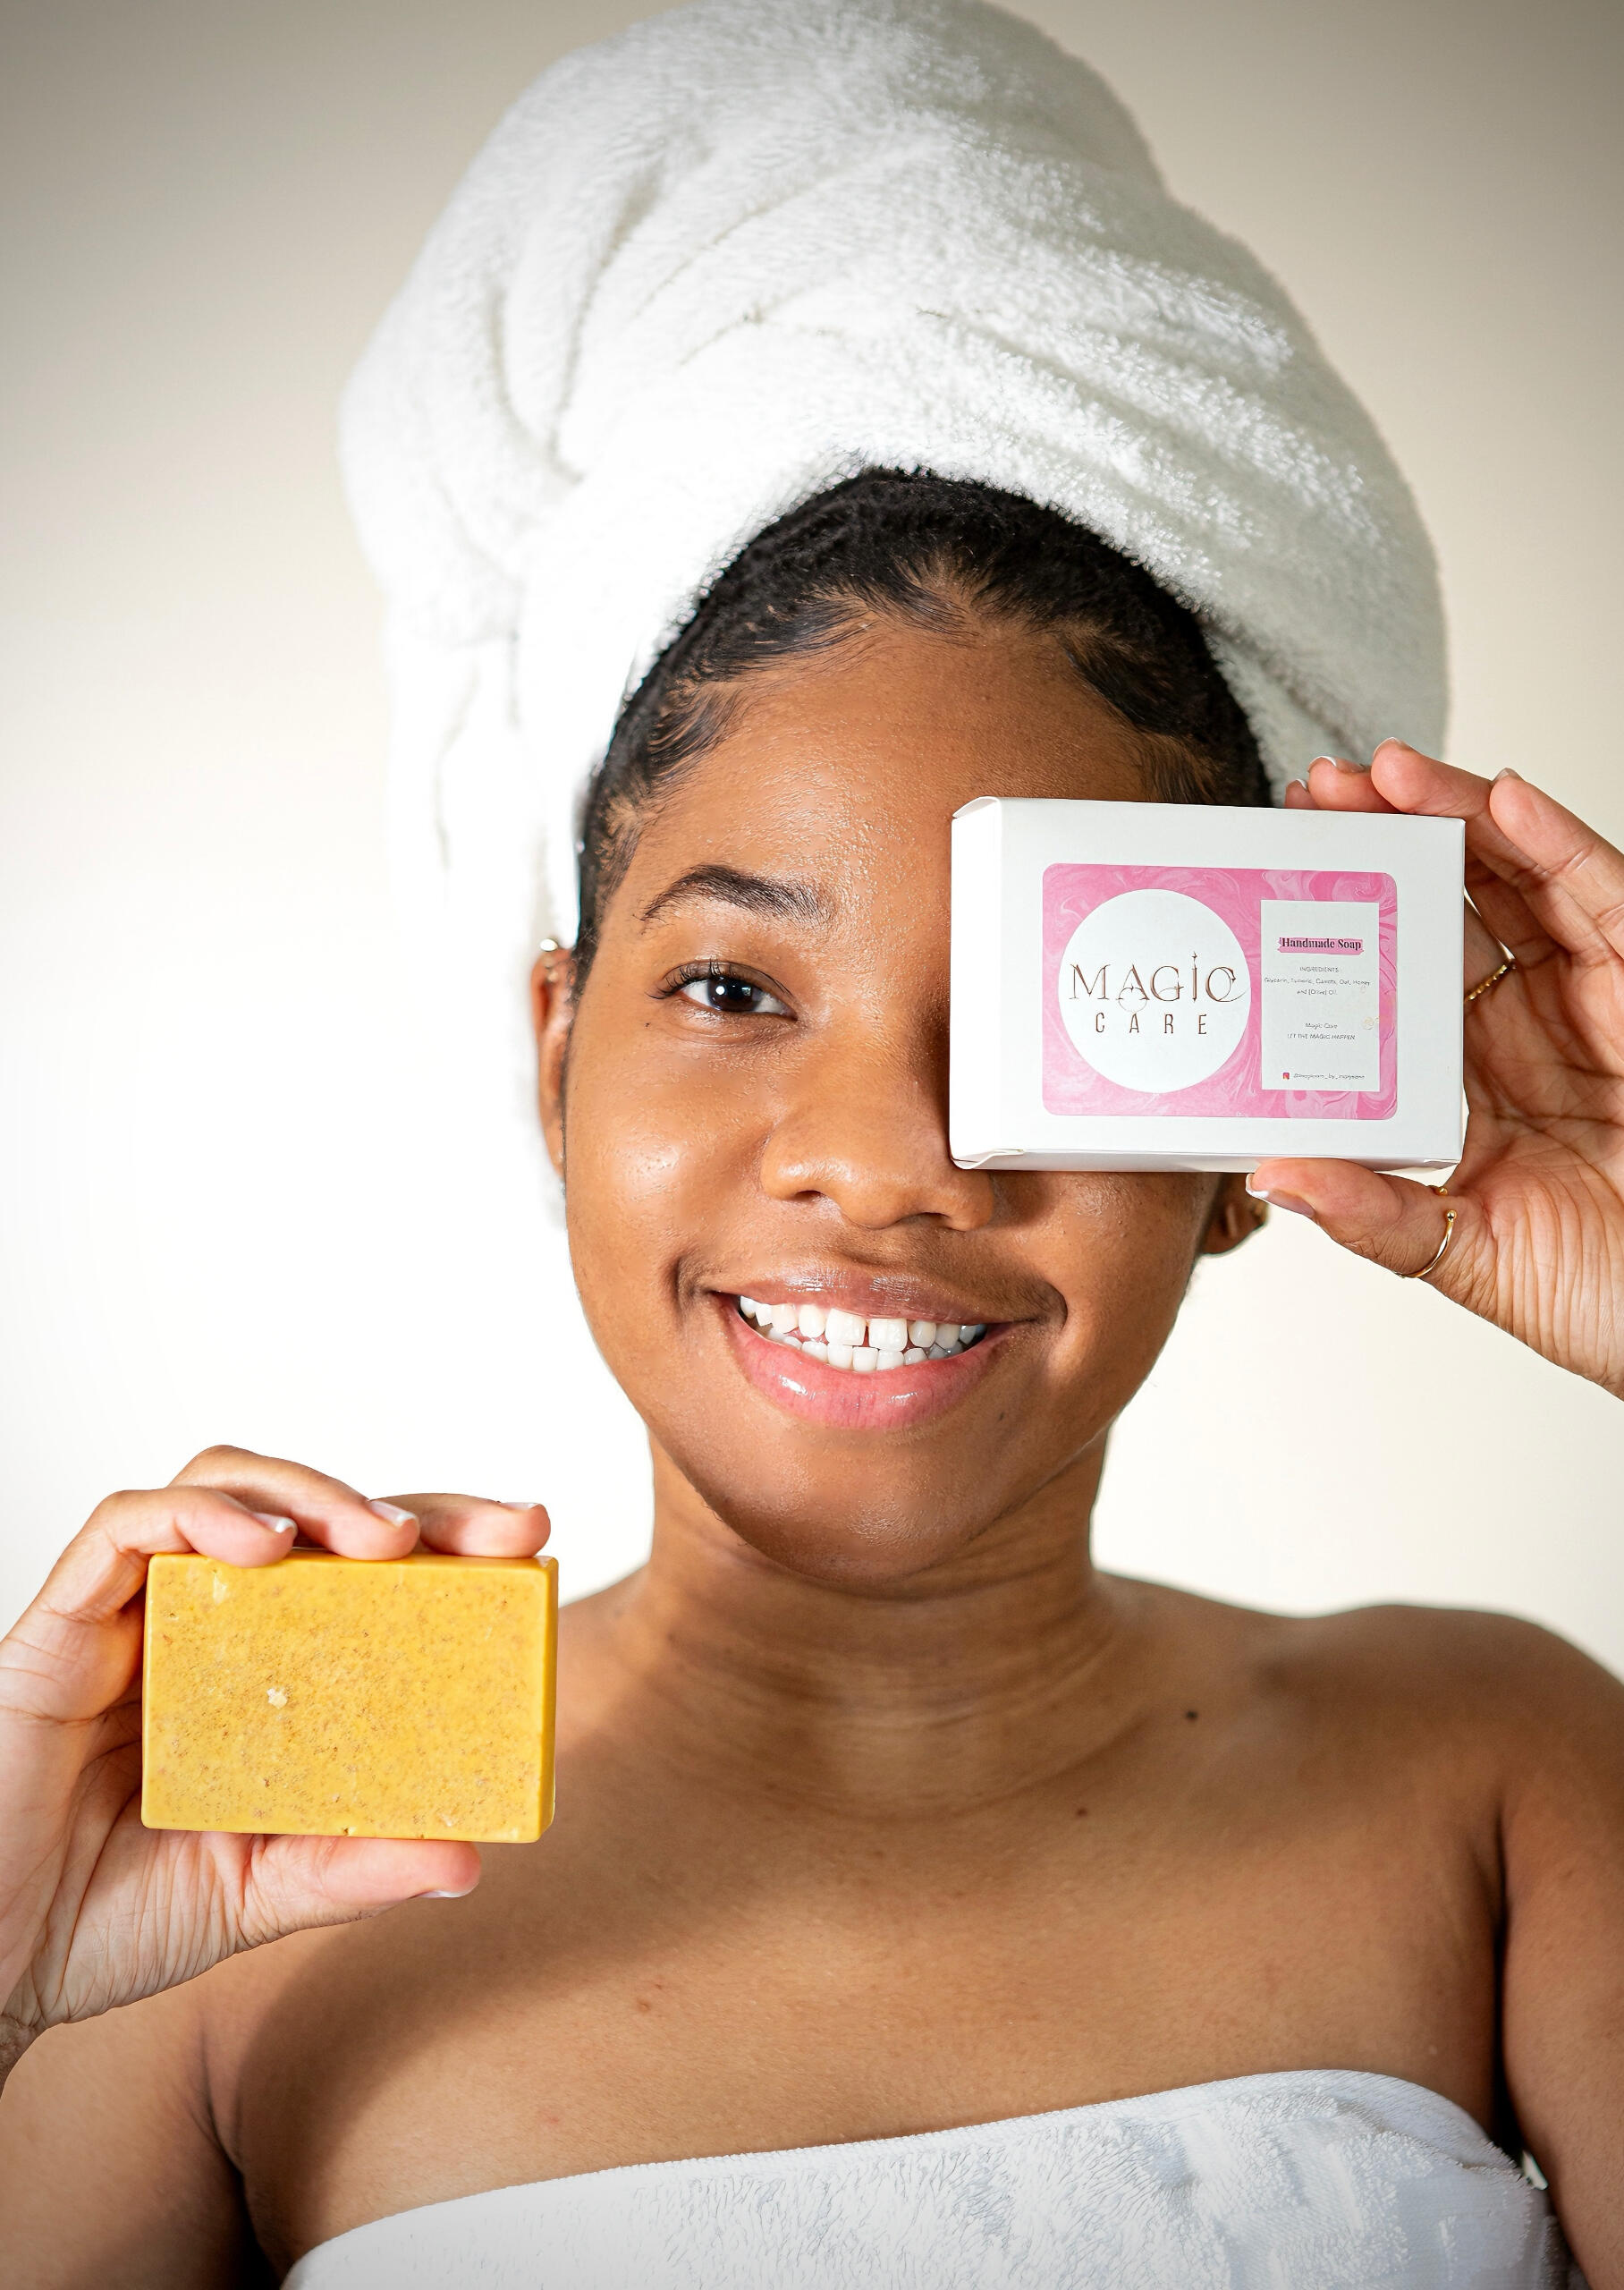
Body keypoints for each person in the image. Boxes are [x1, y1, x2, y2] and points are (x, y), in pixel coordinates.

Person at [3, 8, 1620, 2286]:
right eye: (733, 987)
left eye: (1063, 1011)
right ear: (552, 1050)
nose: (879, 1158)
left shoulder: (1503, 1776)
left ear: (1251, 1124)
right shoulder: (231, 1858)